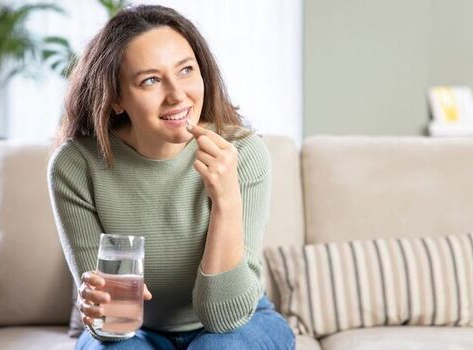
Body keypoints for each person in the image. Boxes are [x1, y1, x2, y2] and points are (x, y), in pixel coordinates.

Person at [47, 4, 295, 350]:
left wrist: (225, 199)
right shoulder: (77, 165)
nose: (178, 95)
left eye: (186, 70)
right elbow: (111, 326)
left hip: (242, 321)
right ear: (116, 98)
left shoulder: (242, 154)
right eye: (150, 80)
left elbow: (225, 319)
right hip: (140, 331)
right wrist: (99, 310)